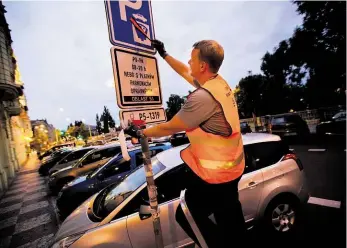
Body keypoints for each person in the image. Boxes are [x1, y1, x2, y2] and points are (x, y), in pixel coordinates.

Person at [124, 39, 246, 247]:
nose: (188, 63)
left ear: (202, 66)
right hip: (233, 169)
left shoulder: (203, 97)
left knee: (187, 212)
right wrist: (164, 54)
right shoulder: (218, 83)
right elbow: (184, 71)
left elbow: (170, 126)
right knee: (231, 221)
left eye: (191, 60)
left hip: (217, 176)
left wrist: (141, 132)